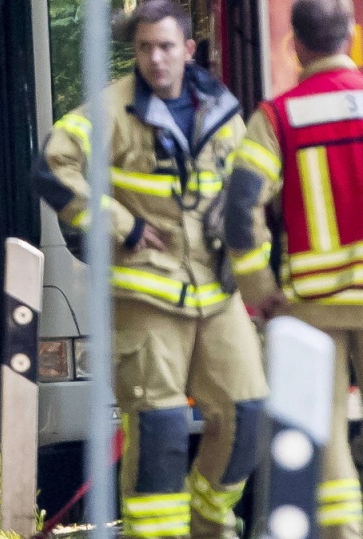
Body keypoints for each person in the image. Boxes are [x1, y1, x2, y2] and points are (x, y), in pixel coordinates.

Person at [34, 1, 268, 536]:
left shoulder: (222, 106)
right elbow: (52, 166)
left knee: (248, 415)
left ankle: (209, 517)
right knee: (160, 432)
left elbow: (243, 186)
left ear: (188, 49)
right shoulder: (111, 109)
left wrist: (240, 244)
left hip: (216, 292)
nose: (155, 59)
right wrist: (122, 225)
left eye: (165, 47)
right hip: (146, 296)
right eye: (144, 48)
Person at [223, 0, 363, 535]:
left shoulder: (277, 117)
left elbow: (240, 209)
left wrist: (260, 288)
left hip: (310, 308)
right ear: (351, 34)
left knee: (322, 437)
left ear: (294, 45)